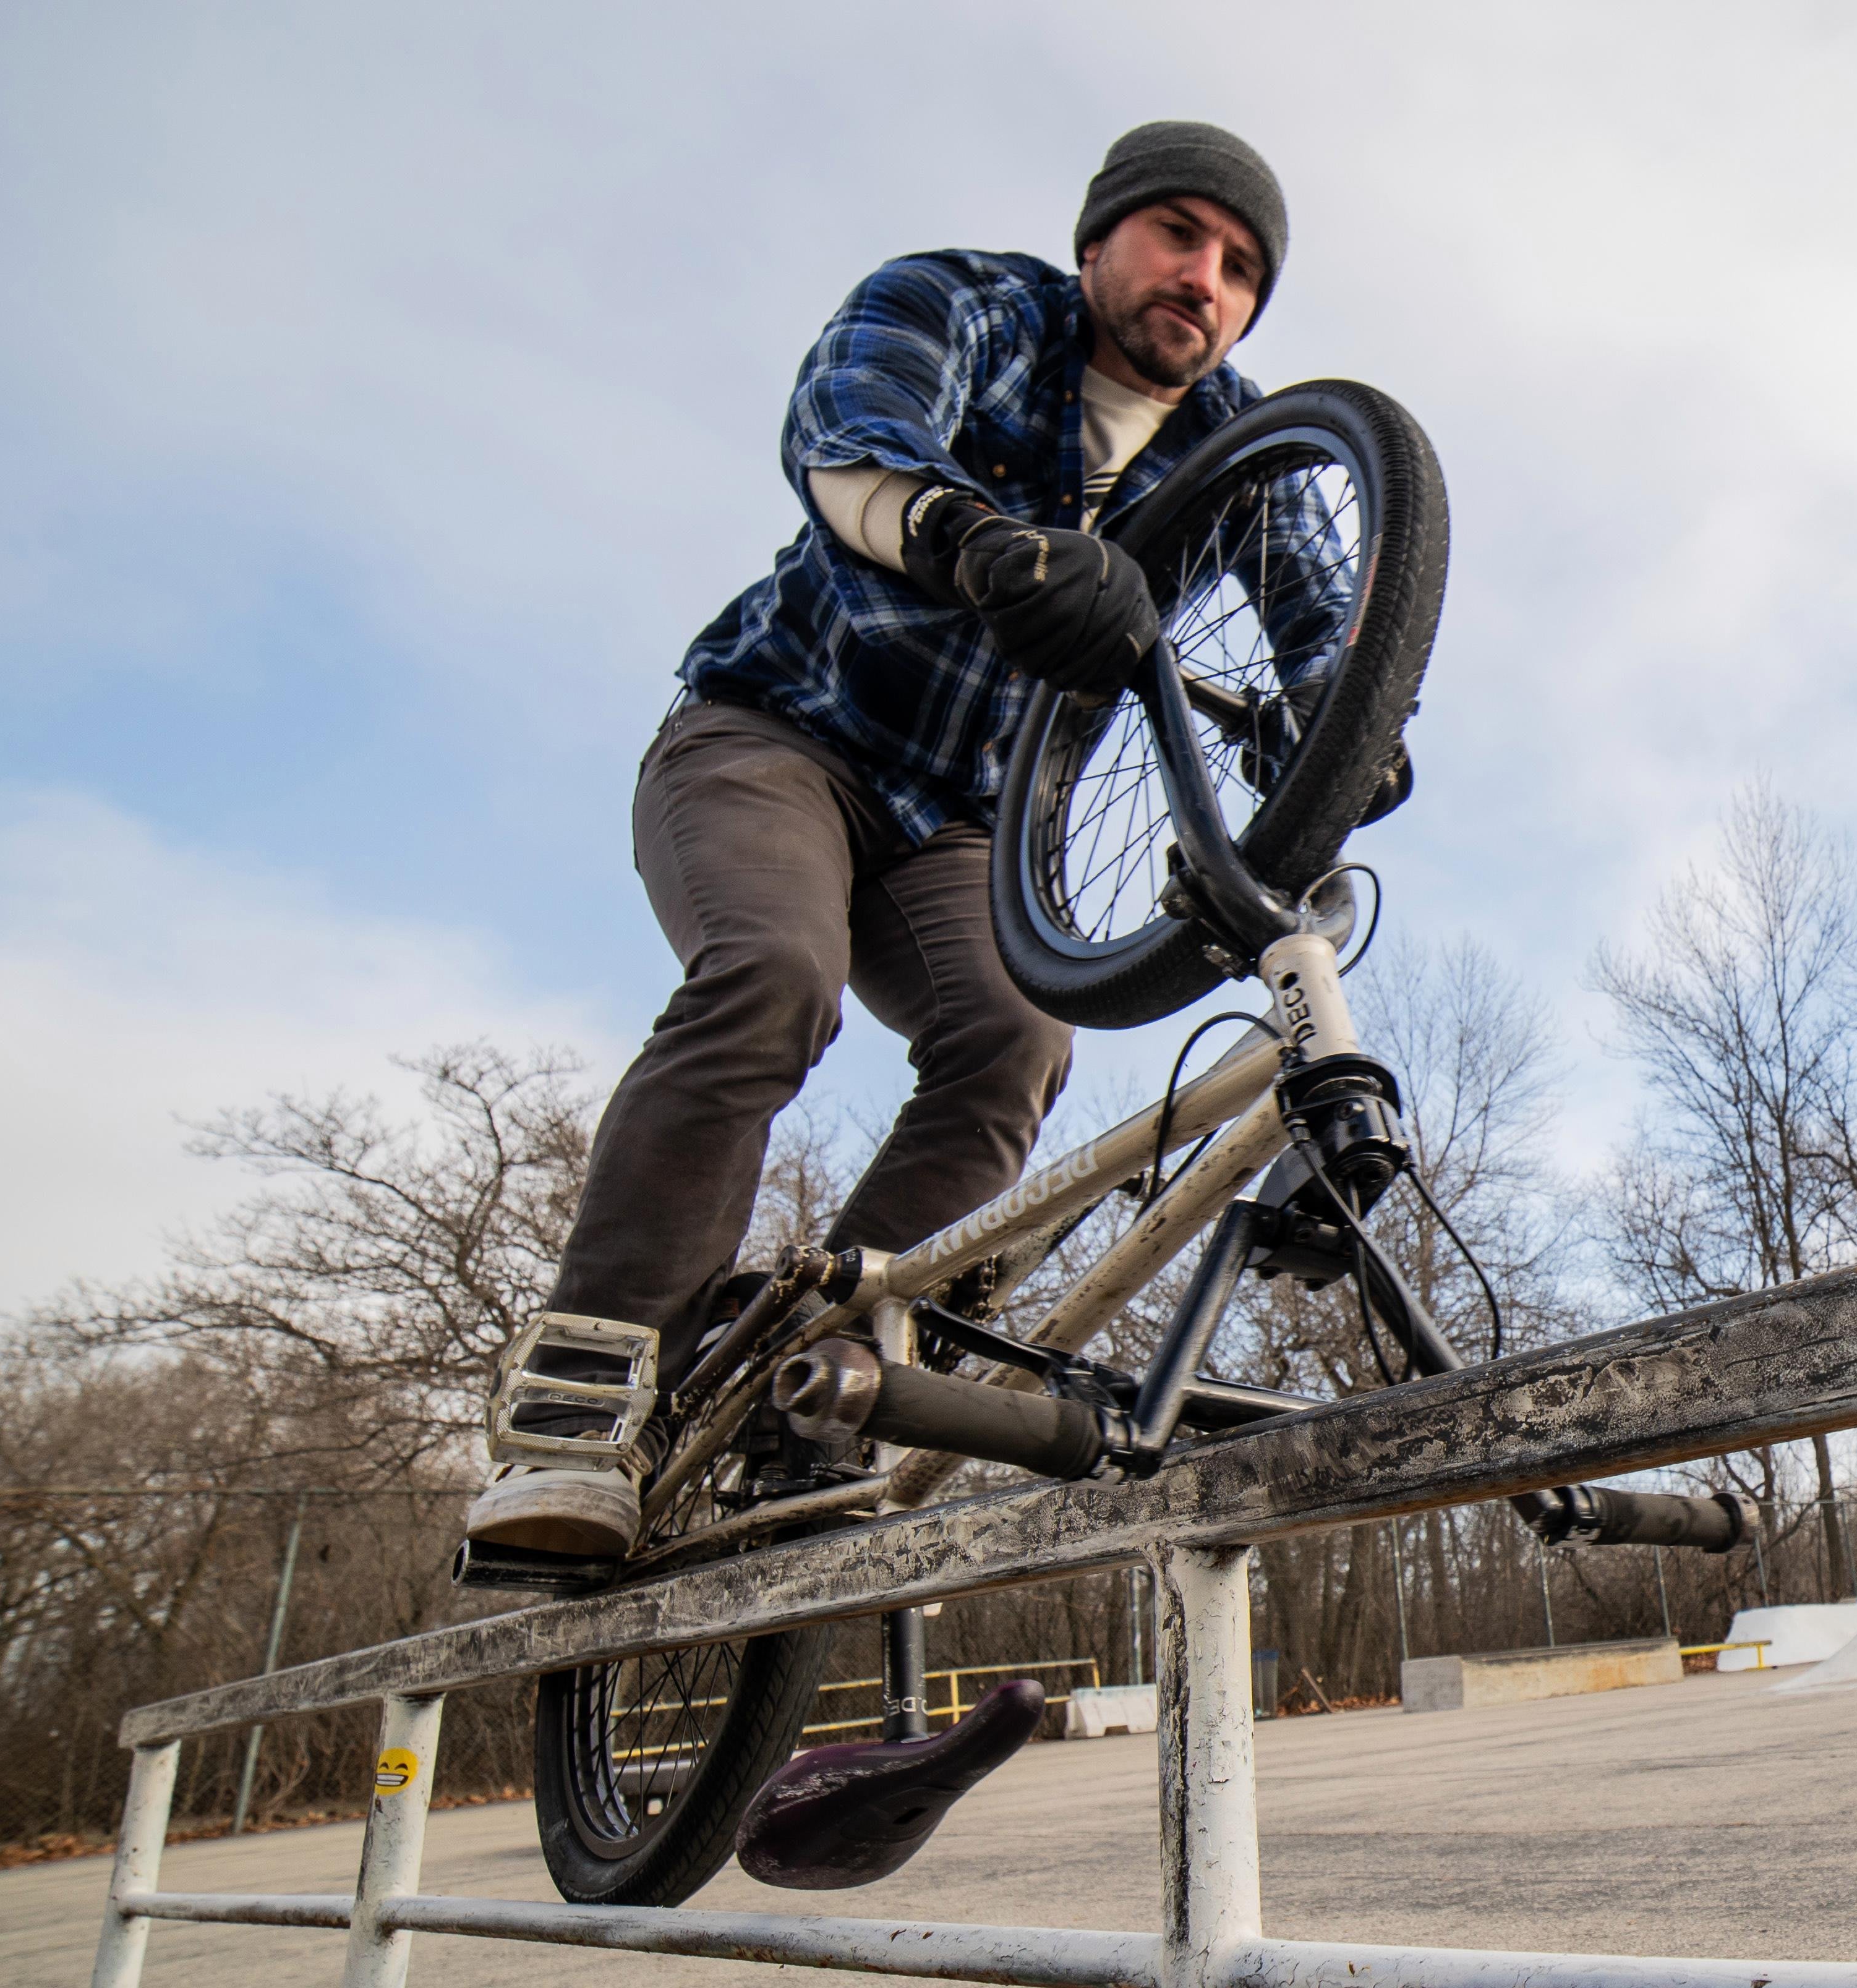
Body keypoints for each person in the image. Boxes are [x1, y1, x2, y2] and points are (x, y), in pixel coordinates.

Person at [464, 121, 1292, 1561]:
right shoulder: (966, 304)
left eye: (1239, 268)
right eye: (1176, 235)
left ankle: (817, 1362)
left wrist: (1344, 711)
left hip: (957, 829)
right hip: (773, 736)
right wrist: (971, 537)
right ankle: (580, 1402)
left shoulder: (1232, 436)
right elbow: (844, 436)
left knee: (1018, 1045)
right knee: (777, 975)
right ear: (1097, 239)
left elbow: (1321, 598)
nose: (1201, 280)